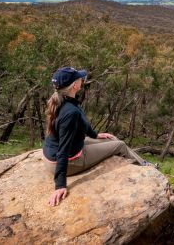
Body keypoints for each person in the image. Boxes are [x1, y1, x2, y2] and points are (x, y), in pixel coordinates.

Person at [42, 67, 152, 206]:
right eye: (79, 78)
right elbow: (63, 150)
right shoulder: (70, 112)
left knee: (112, 139)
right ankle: (146, 168)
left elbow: (83, 124)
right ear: (75, 85)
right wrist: (60, 185)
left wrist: (95, 135)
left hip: (57, 153)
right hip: (68, 162)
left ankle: (141, 162)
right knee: (120, 145)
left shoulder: (62, 100)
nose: (82, 79)